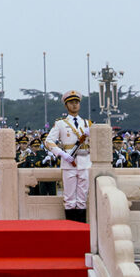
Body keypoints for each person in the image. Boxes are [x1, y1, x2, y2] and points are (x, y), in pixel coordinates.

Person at [44, 90, 91, 224]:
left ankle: (81, 228)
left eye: (76, 102)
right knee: (69, 199)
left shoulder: (87, 124)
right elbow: (48, 141)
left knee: (82, 199)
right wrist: (62, 154)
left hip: (85, 161)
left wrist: (92, 133)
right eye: (71, 103)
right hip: (69, 162)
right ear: (66, 105)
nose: (74, 105)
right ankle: (71, 227)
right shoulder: (61, 124)